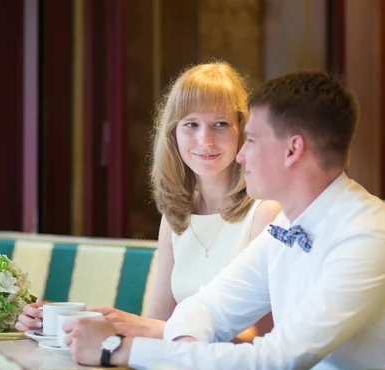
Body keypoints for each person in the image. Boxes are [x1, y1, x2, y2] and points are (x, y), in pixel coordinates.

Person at [60, 71, 385, 370]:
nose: (240, 154)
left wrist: (119, 348)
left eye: (249, 139)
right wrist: (183, 351)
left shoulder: (369, 238)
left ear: (292, 150)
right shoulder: (287, 225)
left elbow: (275, 359)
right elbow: (206, 307)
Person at [15, 62, 280, 340]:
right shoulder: (176, 218)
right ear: (173, 134)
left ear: (243, 130)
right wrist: (62, 324)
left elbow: (261, 336)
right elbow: (156, 323)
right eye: (191, 124)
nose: (205, 139)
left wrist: (131, 326)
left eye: (220, 124)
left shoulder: (265, 214)